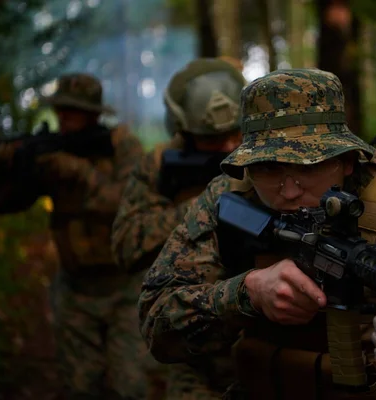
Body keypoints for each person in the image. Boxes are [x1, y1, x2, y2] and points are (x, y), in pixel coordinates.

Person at [137, 69, 376, 400]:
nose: (289, 190)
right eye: (269, 168)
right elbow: (157, 326)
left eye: (308, 168)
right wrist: (244, 294)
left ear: (346, 162)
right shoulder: (228, 197)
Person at [0, 73, 150, 399]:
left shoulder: (121, 146)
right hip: (75, 291)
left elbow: (130, 203)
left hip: (125, 288)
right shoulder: (49, 154)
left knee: (131, 388)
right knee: (81, 388)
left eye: (76, 109)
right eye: (62, 109)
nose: (66, 116)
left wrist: (79, 173)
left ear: (95, 113)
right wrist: (6, 168)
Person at [111, 58, 245, 399]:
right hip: (196, 350)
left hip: (264, 342)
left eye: (236, 133)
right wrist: (203, 207)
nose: (229, 147)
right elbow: (126, 245)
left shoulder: (269, 155)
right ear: (183, 129)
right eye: (213, 139)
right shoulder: (159, 165)